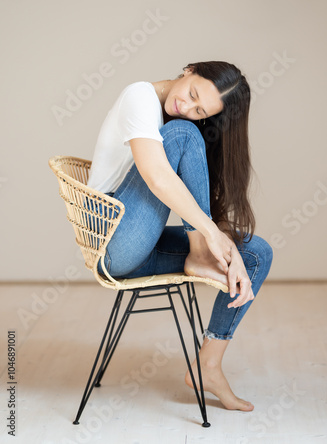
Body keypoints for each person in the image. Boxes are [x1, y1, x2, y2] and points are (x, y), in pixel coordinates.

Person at [87, 61, 273, 411]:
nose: (186, 108)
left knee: (257, 254)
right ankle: (199, 253)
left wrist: (223, 239)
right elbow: (156, 177)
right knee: (183, 135)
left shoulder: (175, 120)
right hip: (112, 242)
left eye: (199, 110)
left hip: (141, 245)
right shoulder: (139, 96)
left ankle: (208, 366)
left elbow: (177, 191)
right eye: (191, 94)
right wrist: (211, 236)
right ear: (188, 70)